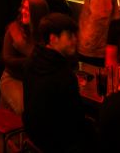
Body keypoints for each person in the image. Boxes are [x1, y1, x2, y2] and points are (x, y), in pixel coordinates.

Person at [23, 13, 89, 153]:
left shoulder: (33, 60)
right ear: (53, 39)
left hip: (33, 132)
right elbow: (77, 118)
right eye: (70, 36)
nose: (75, 39)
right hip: (57, 142)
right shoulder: (62, 74)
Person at [0, 0, 49, 115]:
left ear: (37, 13)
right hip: (13, 78)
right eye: (23, 8)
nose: (23, 11)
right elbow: (7, 59)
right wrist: (33, 59)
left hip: (36, 81)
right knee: (26, 109)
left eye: (27, 9)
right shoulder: (14, 30)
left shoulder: (45, 33)